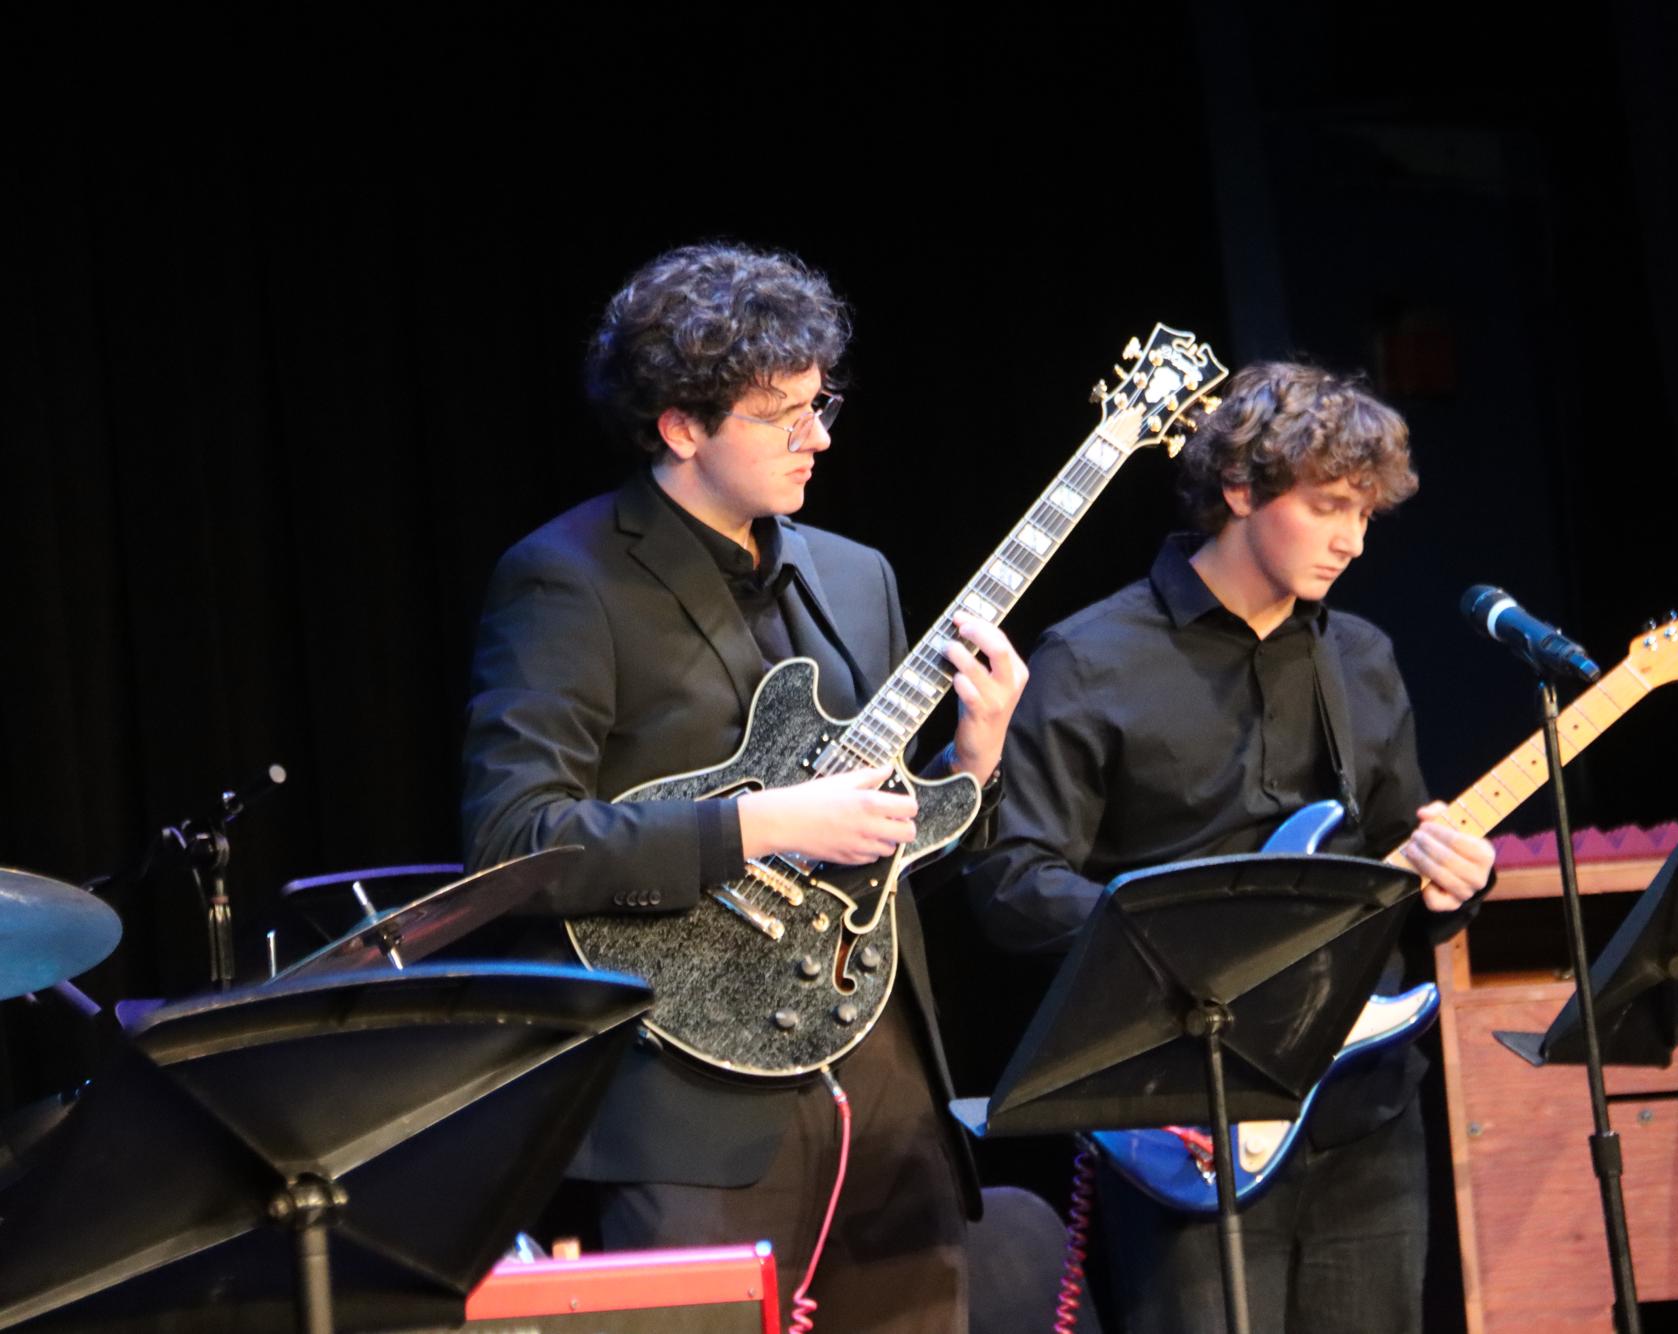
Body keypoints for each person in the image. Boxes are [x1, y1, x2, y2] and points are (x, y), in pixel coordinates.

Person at [460, 241, 1026, 1334]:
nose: (820, 436)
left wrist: (976, 757)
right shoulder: (566, 577)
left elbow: (891, 851)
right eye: (783, 415)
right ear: (681, 426)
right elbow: (513, 838)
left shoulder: (856, 574)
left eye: (822, 404)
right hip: (689, 1094)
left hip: (885, 1081)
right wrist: (758, 824)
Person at [963, 361, 1496, 1333]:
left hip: (1363, 1113)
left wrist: (1455, 884)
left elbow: (1397, 865)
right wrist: (1187, 941)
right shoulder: (1091, 656)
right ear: (1242, 489)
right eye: (1328, 506)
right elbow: (1013, 882)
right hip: (1181, 1114)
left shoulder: (1362, 656)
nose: (1352, 539)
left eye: (1365, 513)